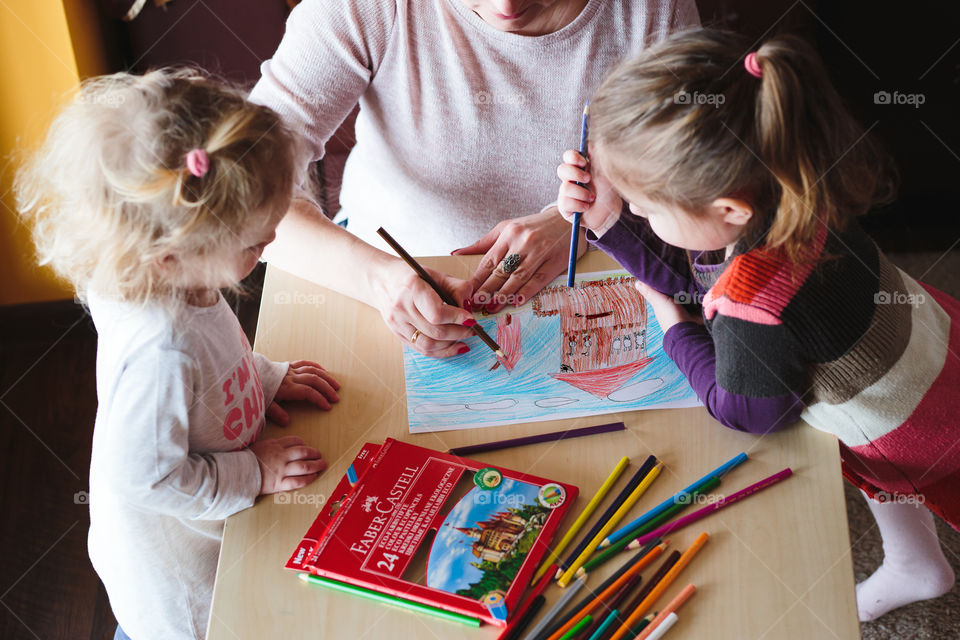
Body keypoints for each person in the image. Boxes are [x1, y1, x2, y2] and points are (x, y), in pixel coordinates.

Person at [557, 29, 958, 622]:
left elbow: (750, 411)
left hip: (919, 425)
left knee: (898, 476)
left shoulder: (754, 309)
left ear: (728, 211)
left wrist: (674, 329)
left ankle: (913, 562)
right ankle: (914, 562)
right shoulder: (793, 186)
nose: (638, 212)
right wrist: (612, 218)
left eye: (646, 206)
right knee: (888, 484)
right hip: (930, 355)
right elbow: (704, 269)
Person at [15, 69, 341, 640]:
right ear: (172, 253)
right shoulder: (158, 350)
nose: (268, 247)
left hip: (213, 527)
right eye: (254, 243)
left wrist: (262, 379)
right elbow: (144, 476)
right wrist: (254, 470)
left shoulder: (180, 274)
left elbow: (217, 357)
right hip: (179, 584)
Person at [249, 0, 699, 358]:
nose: (506, 6)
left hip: (607, 281)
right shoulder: (363, 7)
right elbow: (237, 198)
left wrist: (579, 219)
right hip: (377, 285)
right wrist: (380, 280)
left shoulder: (651, 9)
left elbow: (698, 169)